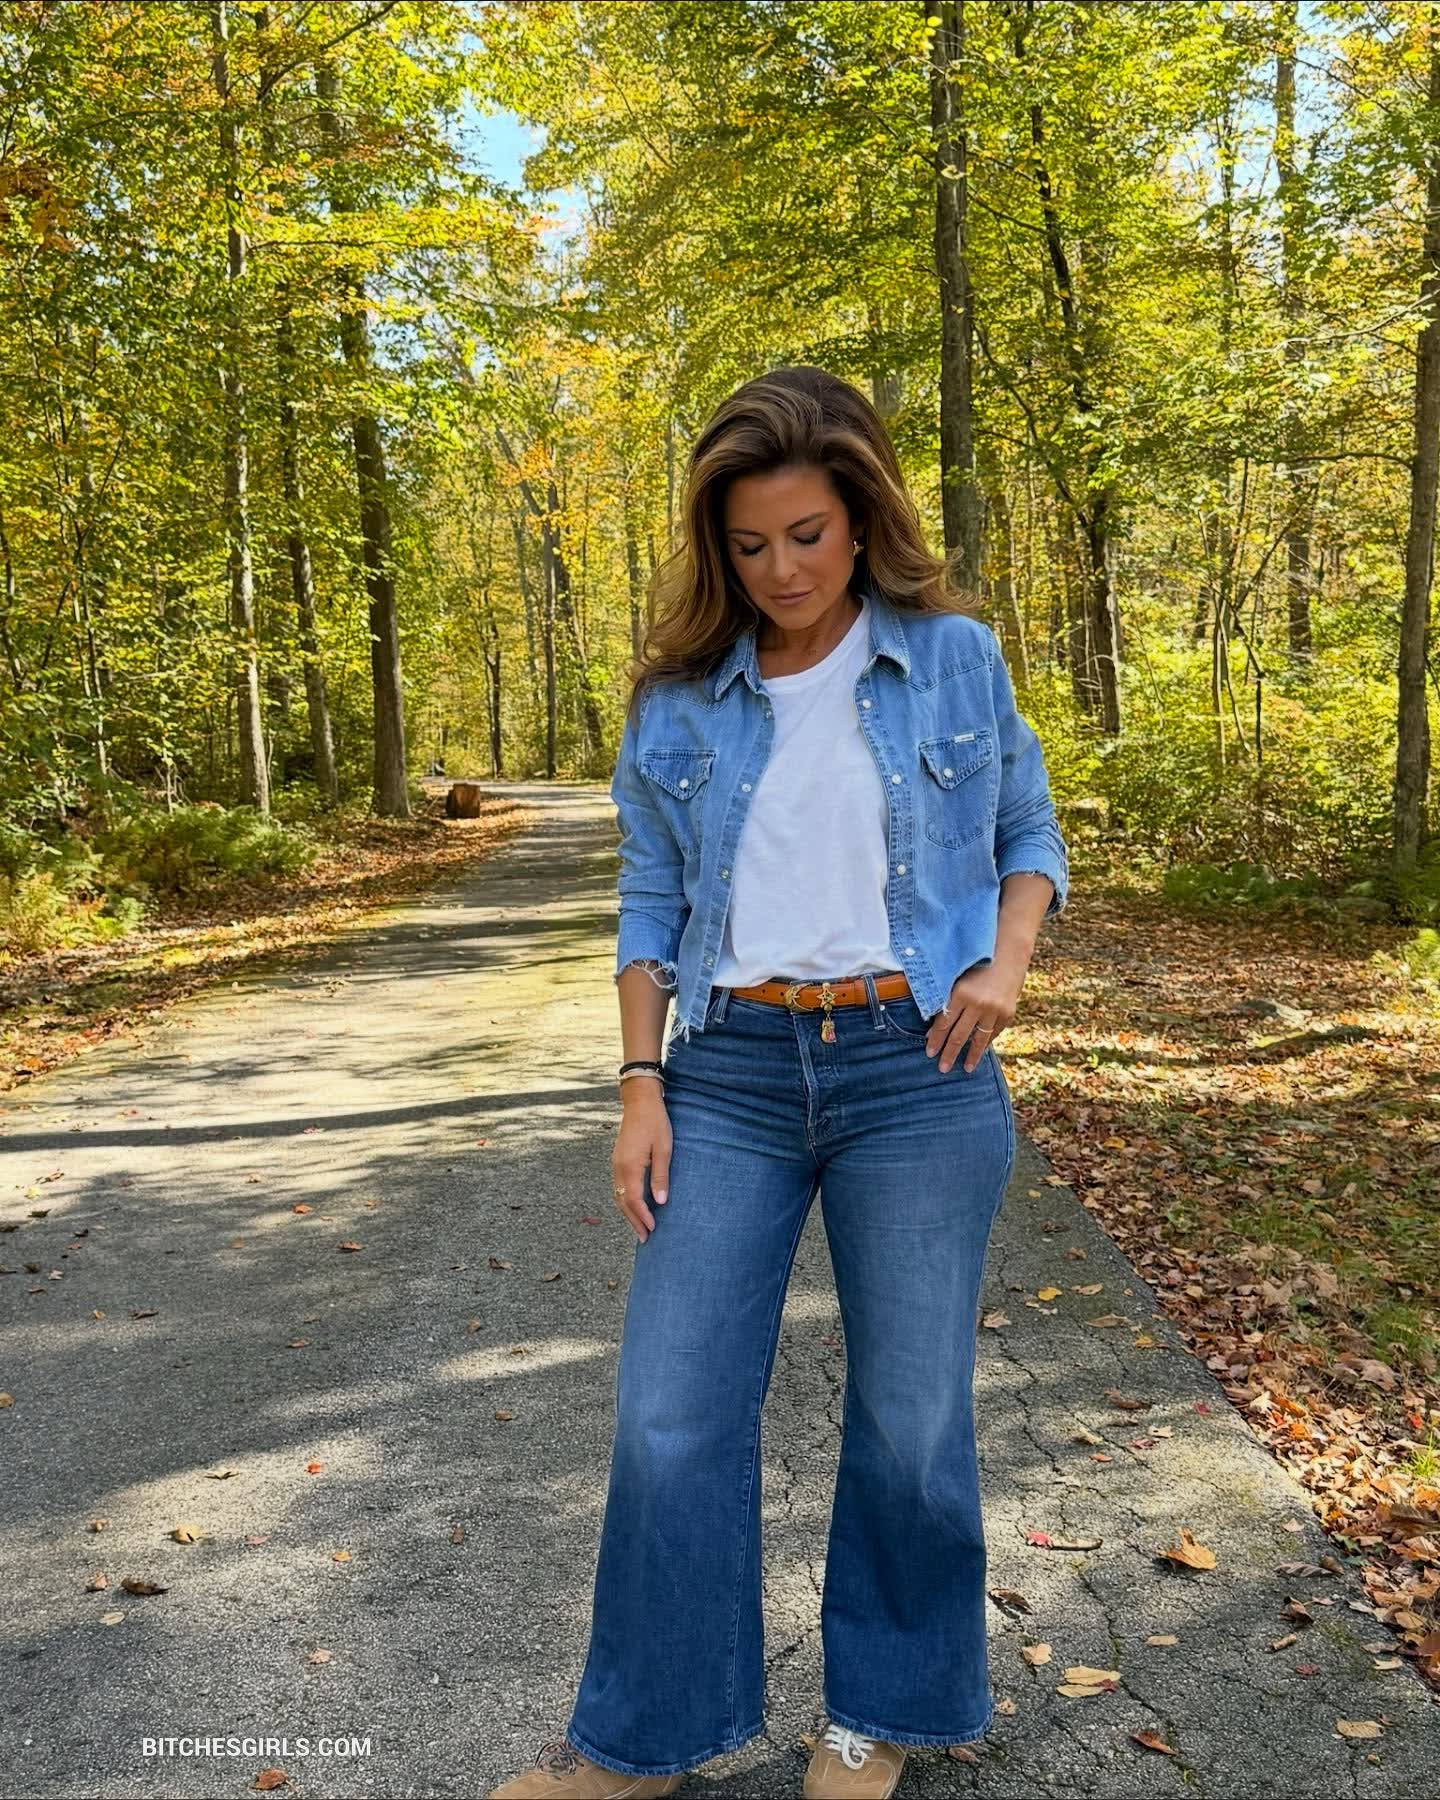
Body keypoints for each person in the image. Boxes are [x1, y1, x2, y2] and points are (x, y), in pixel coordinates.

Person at [489, 367, 1069, 1800]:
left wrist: (1004, 966)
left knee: (911, 1418)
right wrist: (639, 1085)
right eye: (749, 544)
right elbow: (648, 898)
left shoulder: (953, 659)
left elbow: (1027, 829)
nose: (782, 569)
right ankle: (646, 1740)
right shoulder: (679, 701)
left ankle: (881, 1713)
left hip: (916, 1067)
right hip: (730, 1071)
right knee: (669, 1411)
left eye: (806, 535)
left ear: (861, 518)